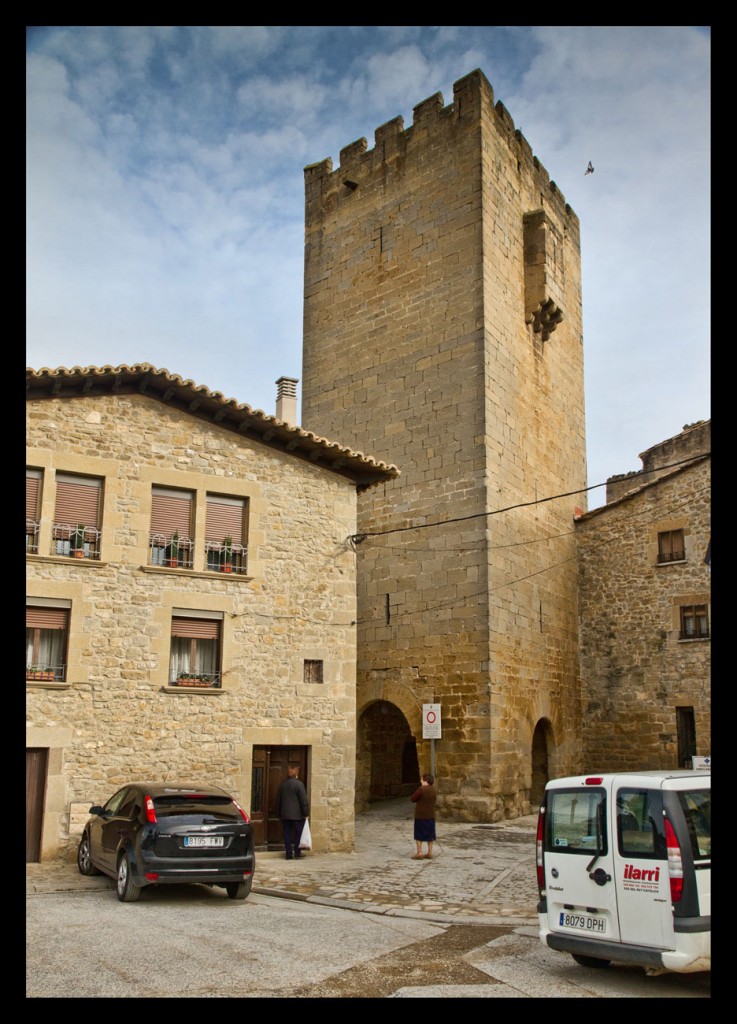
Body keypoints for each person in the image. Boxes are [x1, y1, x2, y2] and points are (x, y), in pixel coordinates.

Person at [275, 766, 309, 859]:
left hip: (285, 814)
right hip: (297, 815)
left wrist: (278, 813)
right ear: (296, 773)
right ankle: (297, 852)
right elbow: (303, 800)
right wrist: (305, 813)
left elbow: (278, 800)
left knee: (287, 834)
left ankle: (288, 854)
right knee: (298, 833)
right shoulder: (299, 784)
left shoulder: (283, 784)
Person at [410, 772, 437, 859]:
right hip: (431, 816)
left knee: (418, 835)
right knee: (430, 835)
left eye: (422, 779)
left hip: (421, 816)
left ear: (426, 780)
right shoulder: (433, 790)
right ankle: (429, 852)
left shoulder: (421, 789)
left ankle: (419, 852)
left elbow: (413, 799)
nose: (420, 781)